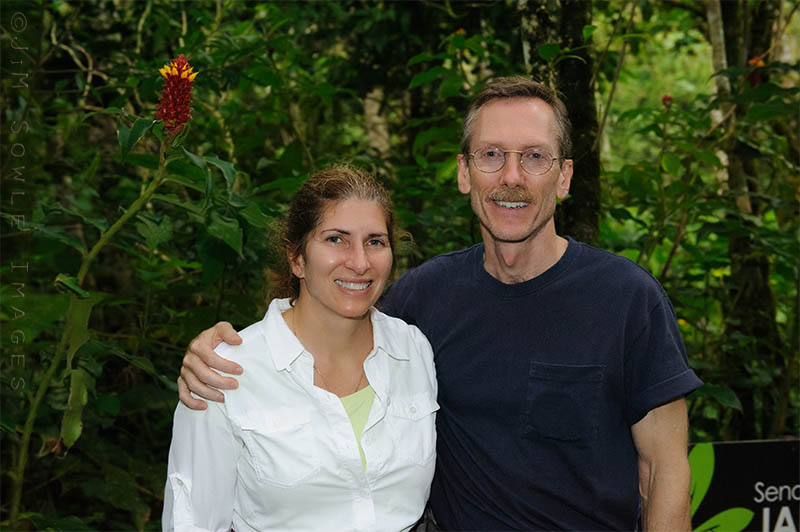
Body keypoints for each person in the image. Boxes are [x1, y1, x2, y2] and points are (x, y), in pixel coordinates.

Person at [178, 77, 703, 531]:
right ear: (463, 172)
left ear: (563, 177)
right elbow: (330, 317)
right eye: (491, 155)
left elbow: (664, 471)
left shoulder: (627, 298)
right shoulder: (423, 300)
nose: (511, 177)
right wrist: (221, 350)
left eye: (534, 157)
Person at [163, 165, 438, 532]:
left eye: (375, 241)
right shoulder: (224, 371)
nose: (359, 262)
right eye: (336, 239)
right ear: (297, 258)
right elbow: (191, 521)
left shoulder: (413, 351)